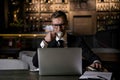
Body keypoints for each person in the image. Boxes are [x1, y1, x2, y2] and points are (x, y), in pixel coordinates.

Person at [32, 10, 102, 71]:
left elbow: (91, 56)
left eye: (62, 25)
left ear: (66, 24)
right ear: (52, 25)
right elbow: (36, 63)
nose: (59, 29)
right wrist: (45, 41)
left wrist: (96, 62)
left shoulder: (77, 40)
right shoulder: (47, 42)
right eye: (56, 25)